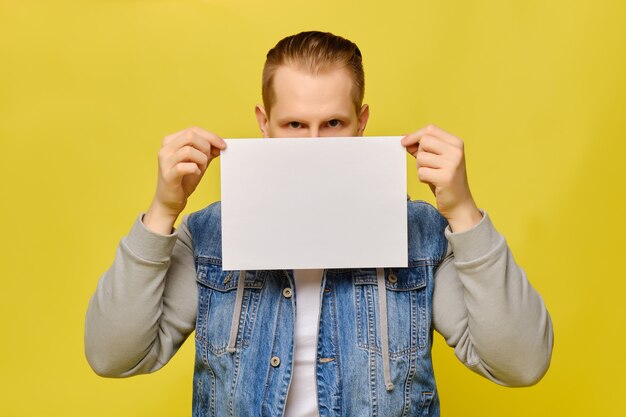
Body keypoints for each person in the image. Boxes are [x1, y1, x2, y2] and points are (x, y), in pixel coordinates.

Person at [85, 31, 553, 416]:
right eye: (294, 125)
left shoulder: (421, 237)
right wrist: (162, 213)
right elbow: (112, 355)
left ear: (361, 122)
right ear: (263, 124)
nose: (313, 144)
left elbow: (520, 363)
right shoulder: (211, 236)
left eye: (332, 123)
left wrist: (465, 213)